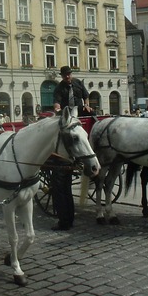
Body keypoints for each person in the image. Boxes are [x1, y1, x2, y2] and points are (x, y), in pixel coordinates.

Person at [51, 65, 93, 231]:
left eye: (69, 74)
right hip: (66, 113)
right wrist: (57, 108)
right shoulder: (59, 88)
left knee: (92, 114)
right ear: (62, 76)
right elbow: (56, 101)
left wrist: (87, 105)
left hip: (79, 111)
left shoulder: (78, 83)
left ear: (71, 74)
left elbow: (86, 96)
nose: (68, 77)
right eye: (65, 75)